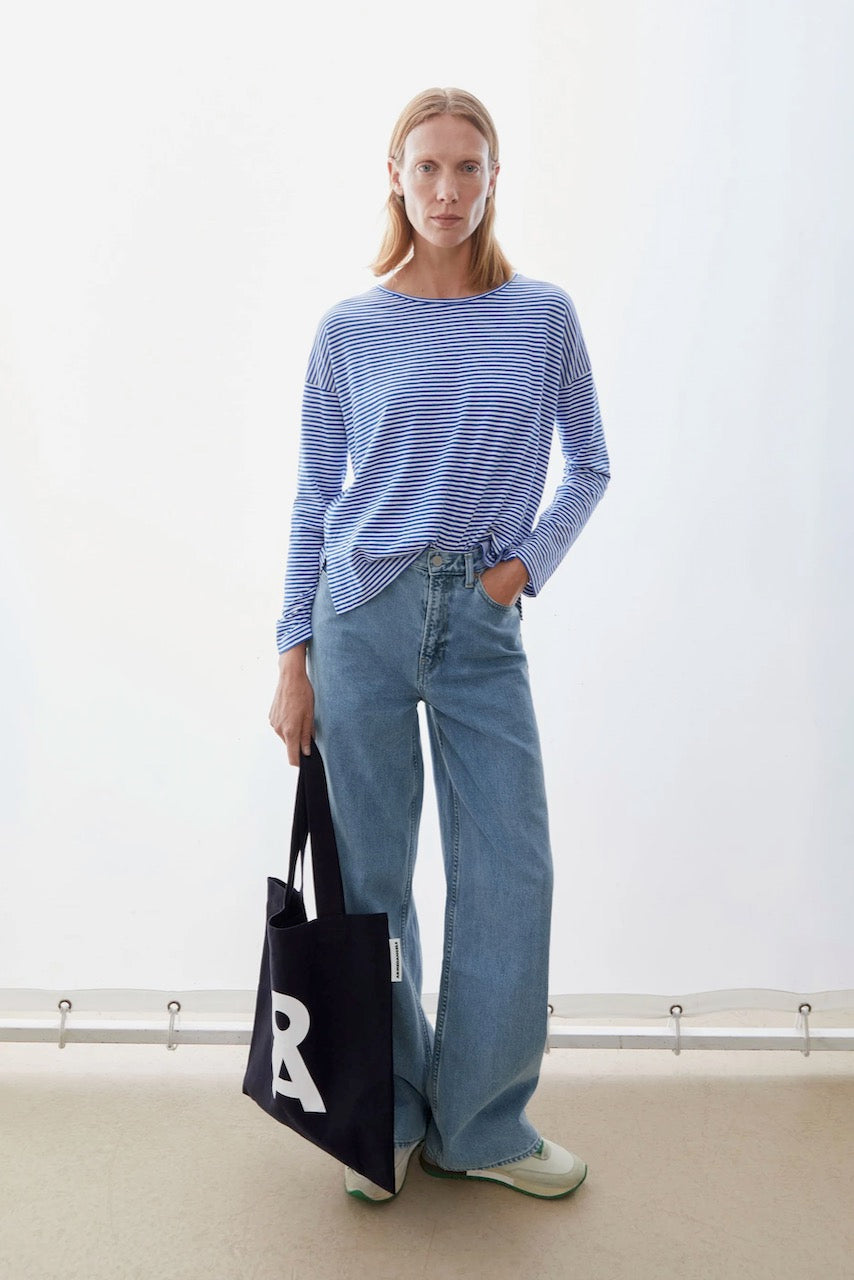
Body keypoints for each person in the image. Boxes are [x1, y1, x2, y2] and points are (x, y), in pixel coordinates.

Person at [269, 86, 611, 1202]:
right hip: (359, 616)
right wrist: (291, 656)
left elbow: (591, 463)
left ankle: (483, 1124)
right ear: (395, 176)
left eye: (468, 168)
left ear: (494, 179)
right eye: (427, 167)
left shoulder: (541, 315)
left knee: (510, 866)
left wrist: (520, 571)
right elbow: (317, 496)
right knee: (372, 880)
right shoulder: (348, 329)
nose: (447, 189)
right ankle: (388, 1116)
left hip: (479, 620)